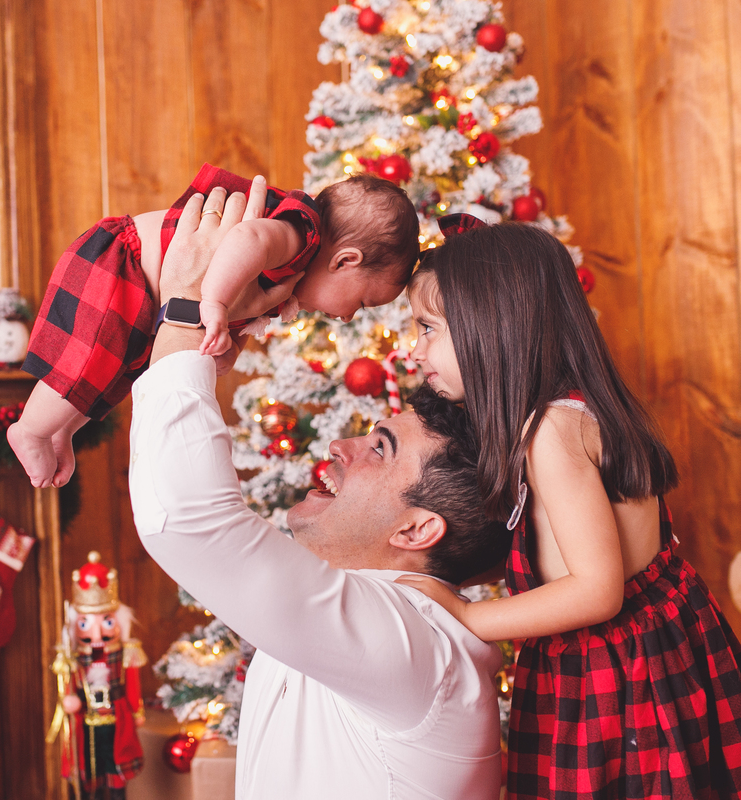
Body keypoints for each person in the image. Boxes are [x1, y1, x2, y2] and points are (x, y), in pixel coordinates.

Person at [398, 217, 741, 799]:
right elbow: (553, 548)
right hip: (656, 647)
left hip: (615, 676)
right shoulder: (566, 411)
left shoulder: (551, 432)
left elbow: (595, 589)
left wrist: (464, 618)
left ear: (494, 325)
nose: (415, 350)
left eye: (427, 328)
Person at [126, 187, 511, 798]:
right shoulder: (387, 619)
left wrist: (184, 313)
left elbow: (188, 522)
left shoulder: (411, 644)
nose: (341, 447)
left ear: (417, 530)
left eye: (379, 448)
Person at [8, 164, 419, 489]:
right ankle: (30, 429)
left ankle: (59, 428)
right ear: (344, 261)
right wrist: (214, 303)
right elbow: (247, 238)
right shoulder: (300, 236)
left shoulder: (289, 284)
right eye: (362, 302)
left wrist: (227, 344)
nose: (349, 317)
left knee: (113, 373)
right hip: (125, 260)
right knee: (86, 361)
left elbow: (242, 310)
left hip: (148, 296)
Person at [53, 551, 147, 800]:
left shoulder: (125, 653)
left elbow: (133, 683)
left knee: (115, 767)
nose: (97, 633)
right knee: (87, 769)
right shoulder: (73, 658)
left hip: (117, 717)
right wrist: (68, 700)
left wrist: (137, 710)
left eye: (106, 621)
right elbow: (68, 685)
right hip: (86, 719)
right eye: (85, 624)